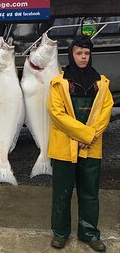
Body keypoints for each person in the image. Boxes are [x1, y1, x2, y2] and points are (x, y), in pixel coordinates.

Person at [47, 35, 114, 252]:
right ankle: (60, 233)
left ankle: (89, 233)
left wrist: (91, 135)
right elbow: (57, 113)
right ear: (71, 54)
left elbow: (106, 111)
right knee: (62, 192)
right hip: (64, 148)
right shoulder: (59, 82)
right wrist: (87, 134)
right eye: (79, 53)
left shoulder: (101, 83)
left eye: (86, 54)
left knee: (89, 193)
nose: (83, 57)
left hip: (91, 148)